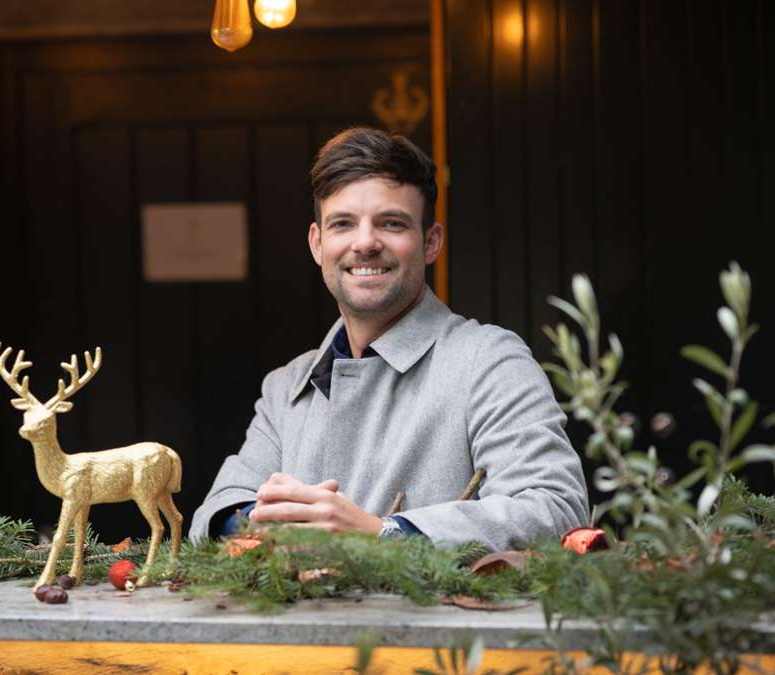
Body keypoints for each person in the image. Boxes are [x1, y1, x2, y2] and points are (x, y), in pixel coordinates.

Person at [188, 128, 588, 551]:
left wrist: (382, 533)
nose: (365, 243)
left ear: (430, 242)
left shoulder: (489, 361)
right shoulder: (286, 385)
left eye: (391, 223)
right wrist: (262, 525)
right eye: (342, 224)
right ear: (317, 244)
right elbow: (218, 510)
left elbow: (554, 508)